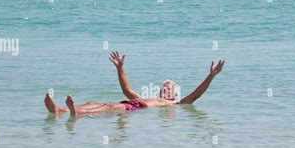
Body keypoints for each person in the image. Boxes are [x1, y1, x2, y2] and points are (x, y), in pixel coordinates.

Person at [44, 51, 225, 116]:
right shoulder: (148, 97)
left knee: (106, 107)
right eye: (163, 86)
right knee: (93, 103)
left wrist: (211, 76)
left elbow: (196, 95)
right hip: (130, 104)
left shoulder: (176, 104)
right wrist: (120, 68)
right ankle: (62, 110)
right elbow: (127, 89)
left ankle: (76, 113)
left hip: (134, 109)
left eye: (169, 87)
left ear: (175, 94)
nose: (165, 88)